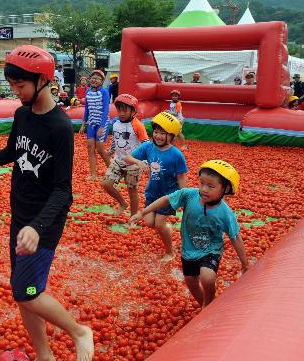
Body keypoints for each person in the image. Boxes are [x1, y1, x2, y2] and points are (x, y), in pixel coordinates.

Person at [0, 45, 95, 361]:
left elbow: (63, 192)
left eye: (20, 85)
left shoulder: (59, 127)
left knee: (27, 292)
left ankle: (79, 331)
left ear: (43, 80)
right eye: (11, 85)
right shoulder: (22, 115)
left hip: (42, 224)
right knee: (23, 291)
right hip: (21, 217)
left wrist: (36, 227)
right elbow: (10, 152)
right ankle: (44, 356)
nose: (16, 92)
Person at [130, 160, 248, 308]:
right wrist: (143, 212)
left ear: (225, 189)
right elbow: (166, 199)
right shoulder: (189, 195)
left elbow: (235, 236)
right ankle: (204, 305)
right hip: (189, 250)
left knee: (207, 277)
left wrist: (245, 263)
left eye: (210, 186)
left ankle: (209, 302)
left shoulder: (225, 213)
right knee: (191, 282)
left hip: (211, 250)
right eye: (202, 183)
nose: (204, 189)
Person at [124, 111, 188, 262]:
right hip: (152, 193)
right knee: (149, 222)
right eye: (156, 132)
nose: (158, 136)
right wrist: (139, 162)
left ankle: (170, 253)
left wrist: (184, 198)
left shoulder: (176, 155)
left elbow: (181, 177)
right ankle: (166, 228)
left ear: (171, 136)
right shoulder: (148, 147)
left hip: (169, 194)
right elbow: (127, 157)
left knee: (158, 223)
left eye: (163, 133)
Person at [101, 94, 148, 215]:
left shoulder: (138, 125)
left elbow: (146, 144)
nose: (121, 113)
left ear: (133, 111)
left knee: (132, 191)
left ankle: (133, 217)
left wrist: (146, 162)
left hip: (133, 163)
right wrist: (111, 151)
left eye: (125, 110)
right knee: (106, 184)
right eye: (119, 109)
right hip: (118, 160)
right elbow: (115, 139)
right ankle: (122, 202)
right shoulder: (115, 122)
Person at [78, 69, 111, 180]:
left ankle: (113, 173)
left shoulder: (104, 92)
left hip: (102, 122)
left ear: (102, 81)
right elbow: (87, 109)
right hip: (92, 123)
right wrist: (83, 124)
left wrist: (102, 126)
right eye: (92, 78)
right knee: (90, 148)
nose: (94, 80)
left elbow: (106, 109)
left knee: (100, 149)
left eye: (97, 78)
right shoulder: (88, 92)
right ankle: (93, 175)